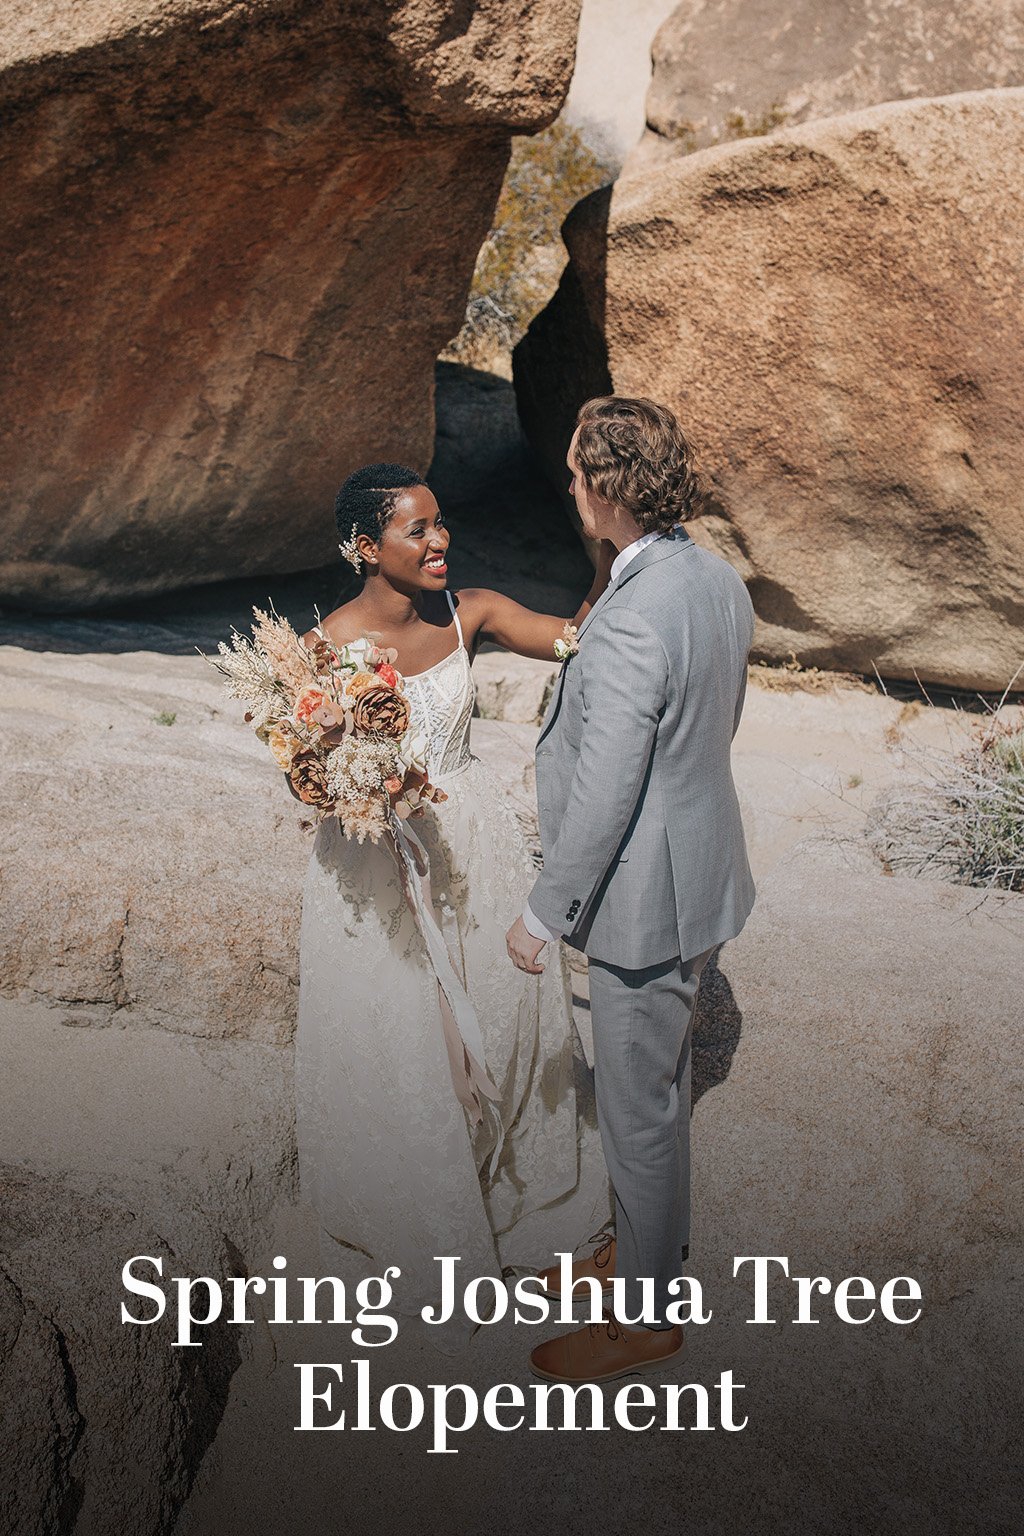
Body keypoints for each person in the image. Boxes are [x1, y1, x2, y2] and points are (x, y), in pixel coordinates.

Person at [293, 462, 613, 1343]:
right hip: (375, 865)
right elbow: (308, 776)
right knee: (401, 1030)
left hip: (476, 844)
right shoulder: (327, 648)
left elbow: (574, 638)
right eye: (417, 530)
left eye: (441, 524)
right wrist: (359, 791)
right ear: (366, 546)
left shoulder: (471, 611)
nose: (439, 542)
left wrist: (607, 553)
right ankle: (431, 1221)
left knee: (509, 1014)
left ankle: (518, 1196)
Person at [505, 396, 756, 1383]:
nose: (566, 489)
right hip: (699, 865)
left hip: (643, 895)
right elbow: (710, 725)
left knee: (639, 1105)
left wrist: (543, 909)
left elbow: (611, 786)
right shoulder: (713, 578)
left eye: (573, 476)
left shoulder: (631, 617)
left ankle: (645, 1314)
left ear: (607, 490)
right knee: (654, 1086)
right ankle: (631, 1254)